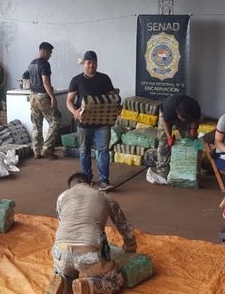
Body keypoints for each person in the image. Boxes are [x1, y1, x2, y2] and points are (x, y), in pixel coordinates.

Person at [46, 172, 136, 294]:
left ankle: (63, 280)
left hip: (60, 251)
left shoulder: (62, 197)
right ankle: (90, 286)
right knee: (114, 280)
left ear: (70, 187)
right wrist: (130, 246)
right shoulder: (104, 197)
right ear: (90, 184)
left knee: (65, 268)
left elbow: (62, 222)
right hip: (88, 253)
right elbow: (123, 225)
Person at [66, 51, 116, 191]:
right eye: (88, 62)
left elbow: (111, 96)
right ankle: (86, 180)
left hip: (102, 123)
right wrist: (74, 112)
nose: (91, 65)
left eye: (94, 62)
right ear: (84, 63)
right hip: (84, 123)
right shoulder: (76, 80)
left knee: (103, 151)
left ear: (97, 63)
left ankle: (103, 181)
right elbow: (69, 101)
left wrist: (116, 102)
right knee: (84, 151)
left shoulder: (104, 79)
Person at [149, 94, 201, 181]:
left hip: (187, 116)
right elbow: (165, 122)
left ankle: (188, 170)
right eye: (182, 118)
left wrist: (193, 129)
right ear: (177, 113)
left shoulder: (195, 107)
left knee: (190, 141)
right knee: (163, 142)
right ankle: (163, 171)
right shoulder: (169, 110)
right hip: (166, 114)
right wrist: (169, 137)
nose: (183, 120)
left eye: (185, 118)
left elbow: (196, 120)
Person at [28, 42, 61, 159]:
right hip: (42, 96)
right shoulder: (45, 64)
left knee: (36, 124)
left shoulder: (31, 64)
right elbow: (45, 82)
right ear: (46, 51)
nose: (50, 55)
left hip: (32, 96)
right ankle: (47, 148)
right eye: (50, 53)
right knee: (55, 120)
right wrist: (52, 97)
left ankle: (36, 150)